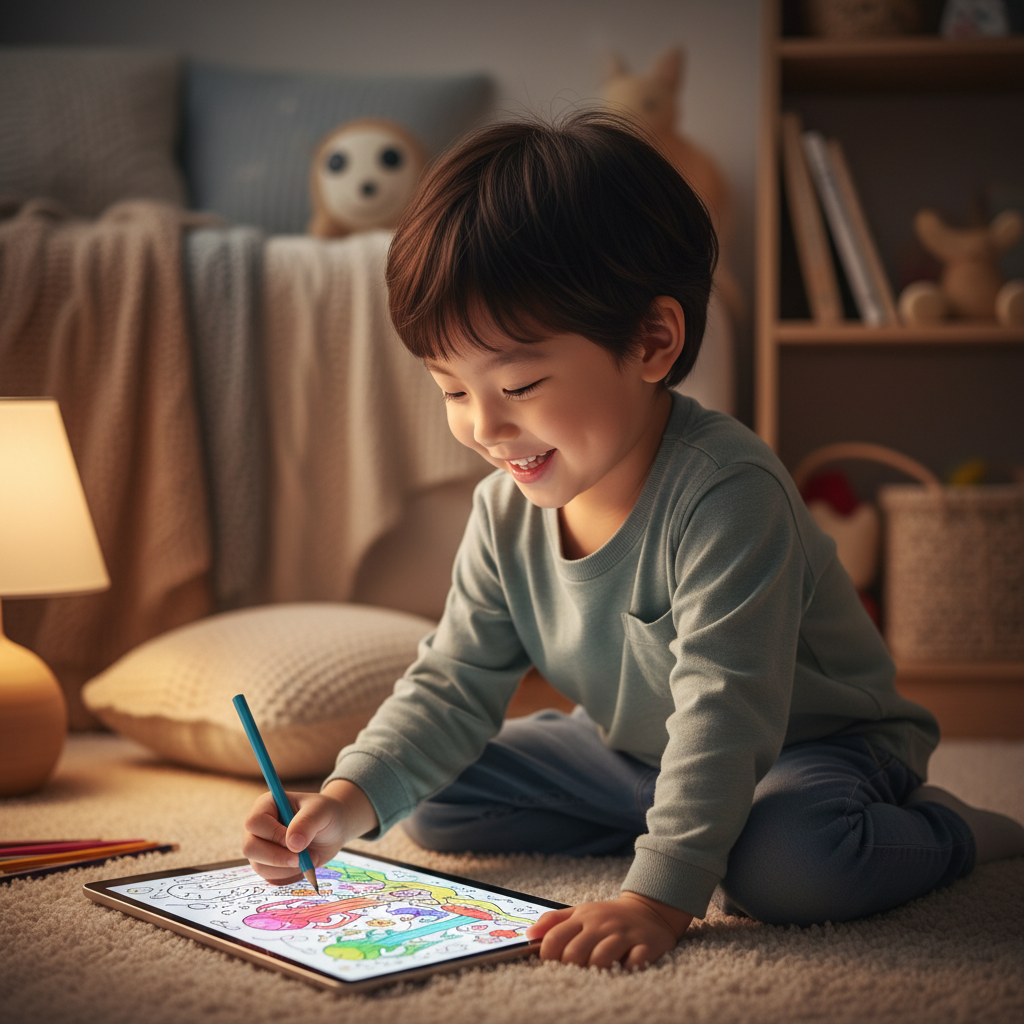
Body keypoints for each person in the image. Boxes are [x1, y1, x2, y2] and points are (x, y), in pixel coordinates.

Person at [243, 111, 1024, 970]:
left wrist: (658, 895)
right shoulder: (503, 512)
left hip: (813, 747)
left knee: (787, 869)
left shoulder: (729, 492)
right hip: (636, 752)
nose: (484, 428)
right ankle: (692, 819)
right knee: (432, 798)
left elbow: (727, 710)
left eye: (519, 385)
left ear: (653, 341)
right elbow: (453, 683)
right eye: (452, 391)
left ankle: (951, 829)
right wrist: (342, 804)